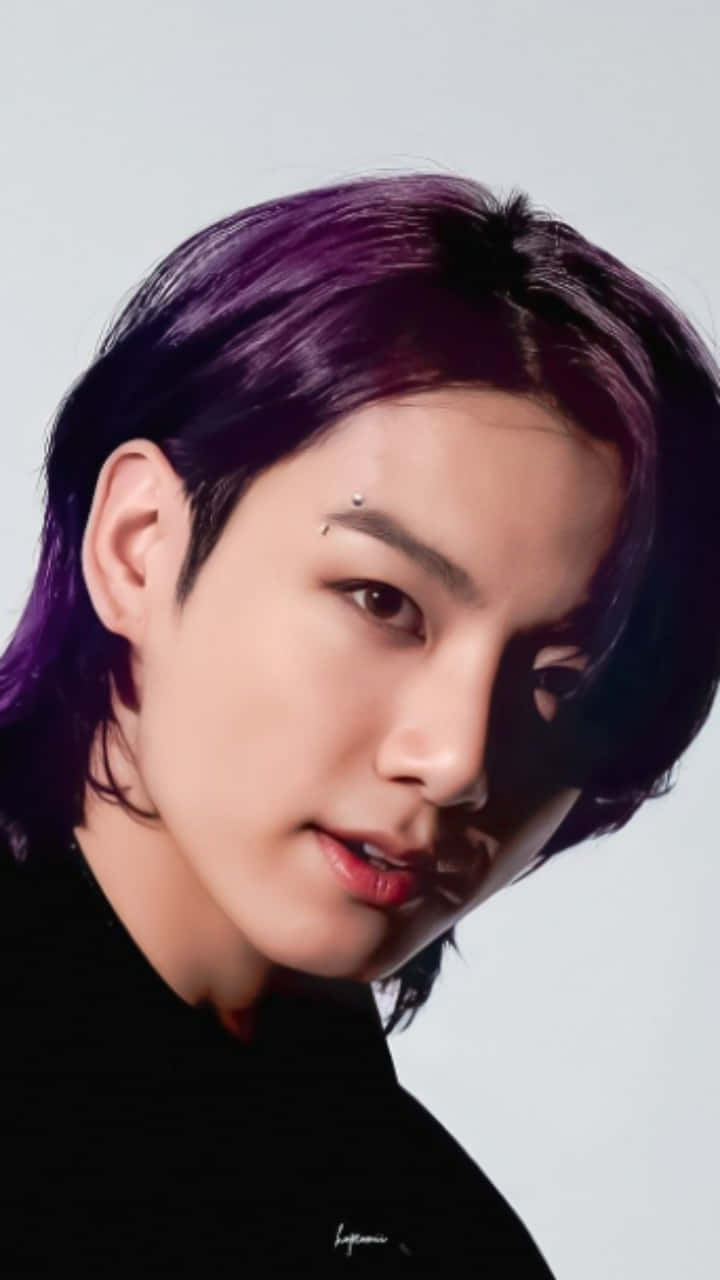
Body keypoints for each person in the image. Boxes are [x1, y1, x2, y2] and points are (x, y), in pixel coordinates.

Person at [0, 172, 718, 1275]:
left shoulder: (435, 1229)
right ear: (139, 545)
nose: (457, 760)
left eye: (566, 685)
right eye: (382, 601)